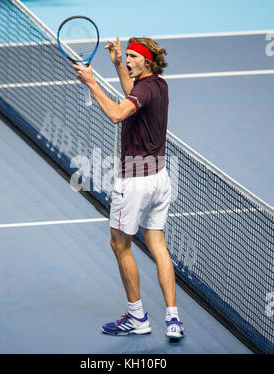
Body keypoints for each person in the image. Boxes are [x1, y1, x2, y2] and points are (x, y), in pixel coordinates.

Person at [72, 37, 184, 339]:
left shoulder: (145, 88)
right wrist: (119, 64)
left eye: (133, 56)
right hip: (160, 179)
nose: (129, 59)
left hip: (134, 183)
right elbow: (132, 94)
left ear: (147, 61)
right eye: (128, 56)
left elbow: (116, 114)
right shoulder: (158, 85)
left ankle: (137, 318)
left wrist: (91, 82)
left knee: (119, 245)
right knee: (157, 244)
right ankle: (173, 319)